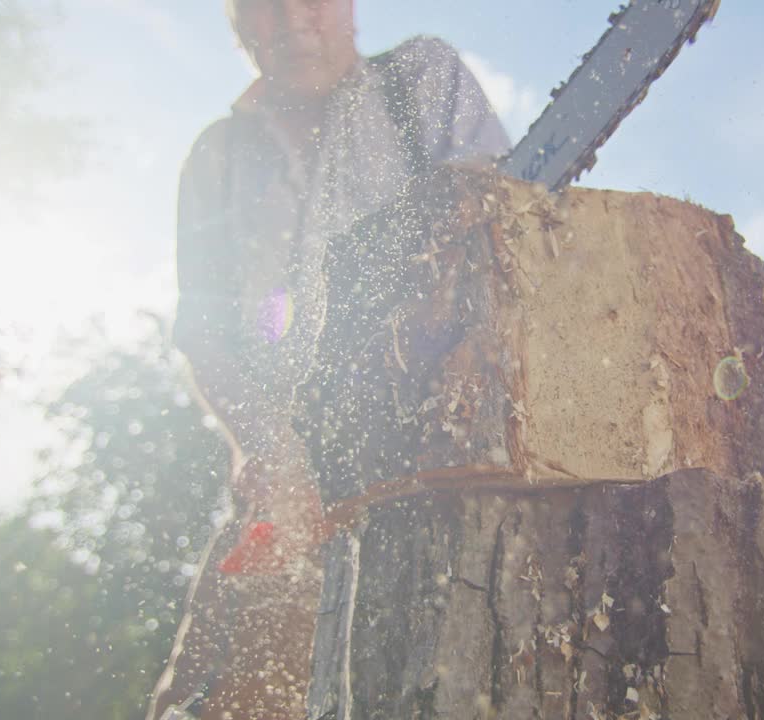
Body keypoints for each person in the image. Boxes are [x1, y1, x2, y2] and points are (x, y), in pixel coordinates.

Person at [149, 1, 509, 717]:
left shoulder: (416, 83)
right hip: (294, 469)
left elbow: (503, 223)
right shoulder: (218, 157)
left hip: (443, 448)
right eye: (265, 7)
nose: (292, 20)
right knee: (221, 700)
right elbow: (204, 332)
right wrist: (269, 445)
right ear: (240, 27)